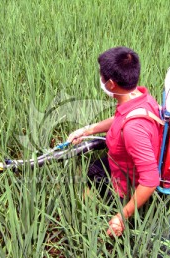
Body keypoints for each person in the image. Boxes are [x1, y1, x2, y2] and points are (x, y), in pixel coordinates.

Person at [67, 47, 161, 237]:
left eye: (101, 76)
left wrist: (121, 216)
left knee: (85, 184)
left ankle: (91, 213)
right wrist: (88, 130)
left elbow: (151, 180)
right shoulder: (142, 97)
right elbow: (120, 117)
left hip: (125, 184)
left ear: (110, 84)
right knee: (93, 166)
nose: (99, 79)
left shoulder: (134, 130)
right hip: (120, 163)